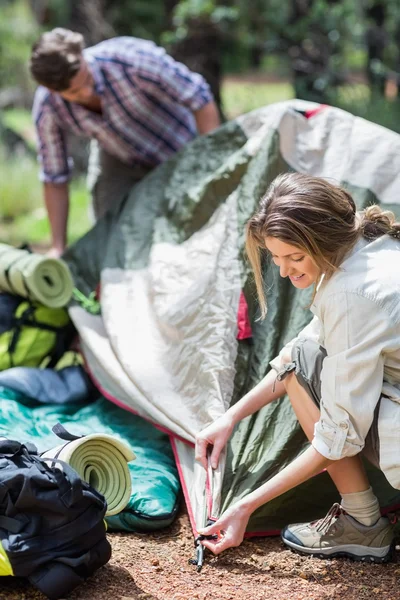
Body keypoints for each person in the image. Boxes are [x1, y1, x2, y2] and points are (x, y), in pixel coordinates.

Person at [195, 172, 400, 561]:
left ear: (321, 239)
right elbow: (299, 351)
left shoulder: (350, 293)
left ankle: (363, 524)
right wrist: (231, 418)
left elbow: (337, 436)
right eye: (276, 257)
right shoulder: (371, 246)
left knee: (302, 375)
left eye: (295, 257)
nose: (285, 271)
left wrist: (244, 507)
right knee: (302, 359)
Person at [29, 28, 221, 258]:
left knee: (191, 230)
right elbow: (54, 177)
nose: (88, 91)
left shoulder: (132, 59)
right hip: (119, 157)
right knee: (111, 241)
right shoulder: (47, 108)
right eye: (75, 92)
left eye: (87, 78)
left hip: (181, 146)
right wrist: (57, 246)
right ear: (53, 90)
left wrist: (211, 165)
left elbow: (200, 98)